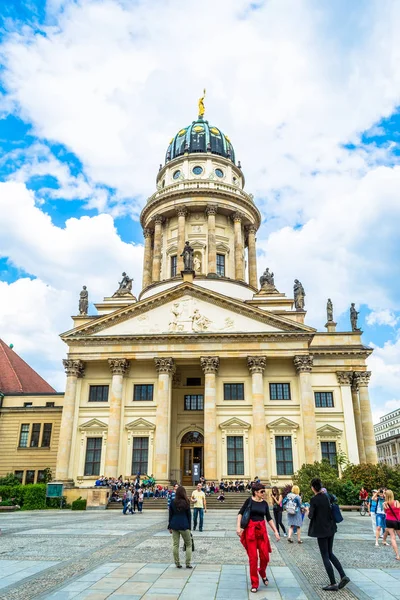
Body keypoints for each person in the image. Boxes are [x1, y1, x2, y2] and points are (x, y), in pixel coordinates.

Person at [237, 482, 280, 593]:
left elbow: (269, 518)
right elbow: (240, 513)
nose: (263, 493)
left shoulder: (265, 504)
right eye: (261, 492)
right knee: (253, 559)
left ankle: (262, 572)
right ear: (255, 492)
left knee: (265, 556)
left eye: (264, 491)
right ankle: (255, 583)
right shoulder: (249, 501)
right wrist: (238, 527)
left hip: (262, 531)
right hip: (250, 532)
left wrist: (275, 531)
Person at [308, 477, 350, 591]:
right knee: (330, 553)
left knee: (325, 556)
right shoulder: (327, 496)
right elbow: (333, 500)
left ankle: (332, 583)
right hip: (331, 528)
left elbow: (311, 515)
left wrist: (307, 511)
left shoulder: (314, 499)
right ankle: (343, 575)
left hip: (321, 531)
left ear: (313, 488)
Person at [168, 486, 192, 569]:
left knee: (175, 545)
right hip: (184, 525)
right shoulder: (186, 502)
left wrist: (169, 526)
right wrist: (189, 527)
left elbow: (170, 515)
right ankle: (188, 563)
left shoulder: (172, 502)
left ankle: (177, 563)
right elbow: (189, 515)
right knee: (189, 544)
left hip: (174, 525)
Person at [384, 489, 400, 560]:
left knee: (393, 538)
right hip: (397, 521)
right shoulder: (397, 502)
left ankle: (397, 555)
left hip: (389, 521)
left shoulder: (384, 504)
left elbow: (385, 512)